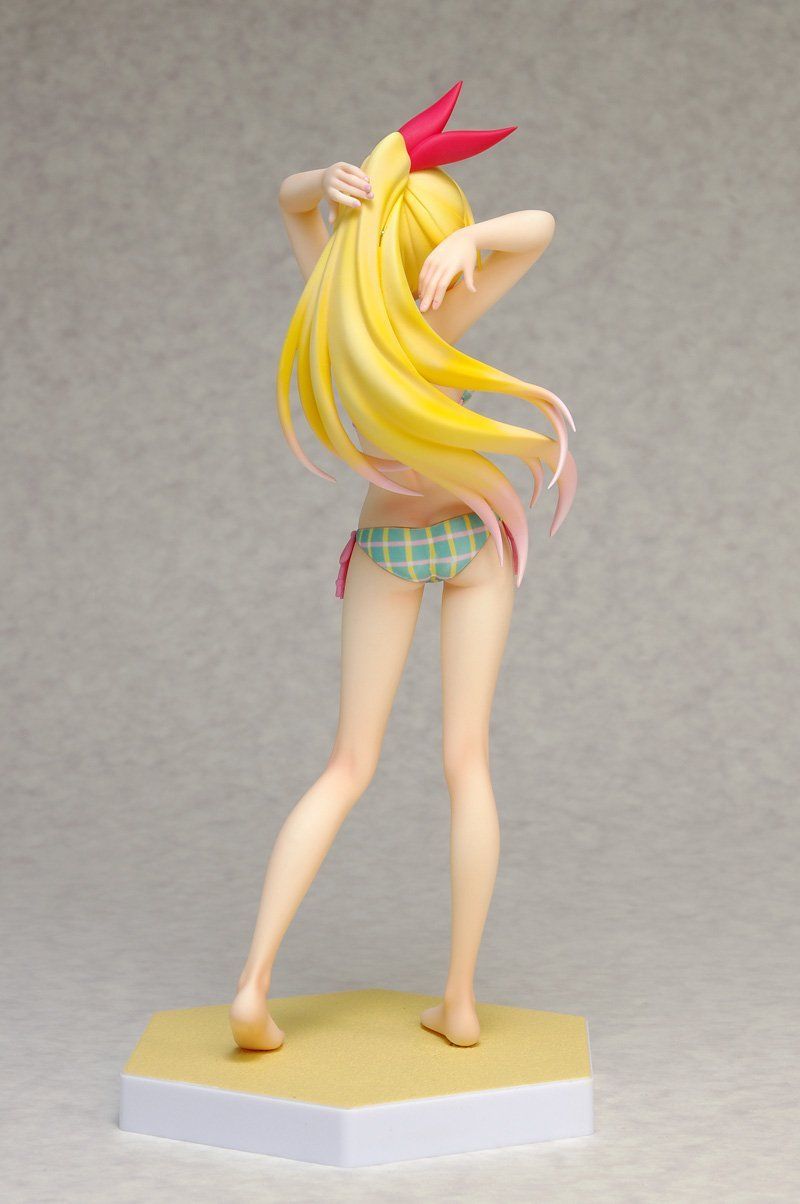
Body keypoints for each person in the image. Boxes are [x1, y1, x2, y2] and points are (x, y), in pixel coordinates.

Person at [230, 83, 577, 1050]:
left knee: (349, 764)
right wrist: (474, 241)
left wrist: (321, 185)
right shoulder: (445, 309)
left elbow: (290, 203)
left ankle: (254, 984)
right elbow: (540, 227)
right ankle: (458, 1002)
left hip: (387, 544)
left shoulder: (340, 310)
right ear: (434, 240)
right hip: (471, 540)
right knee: (467, 763)